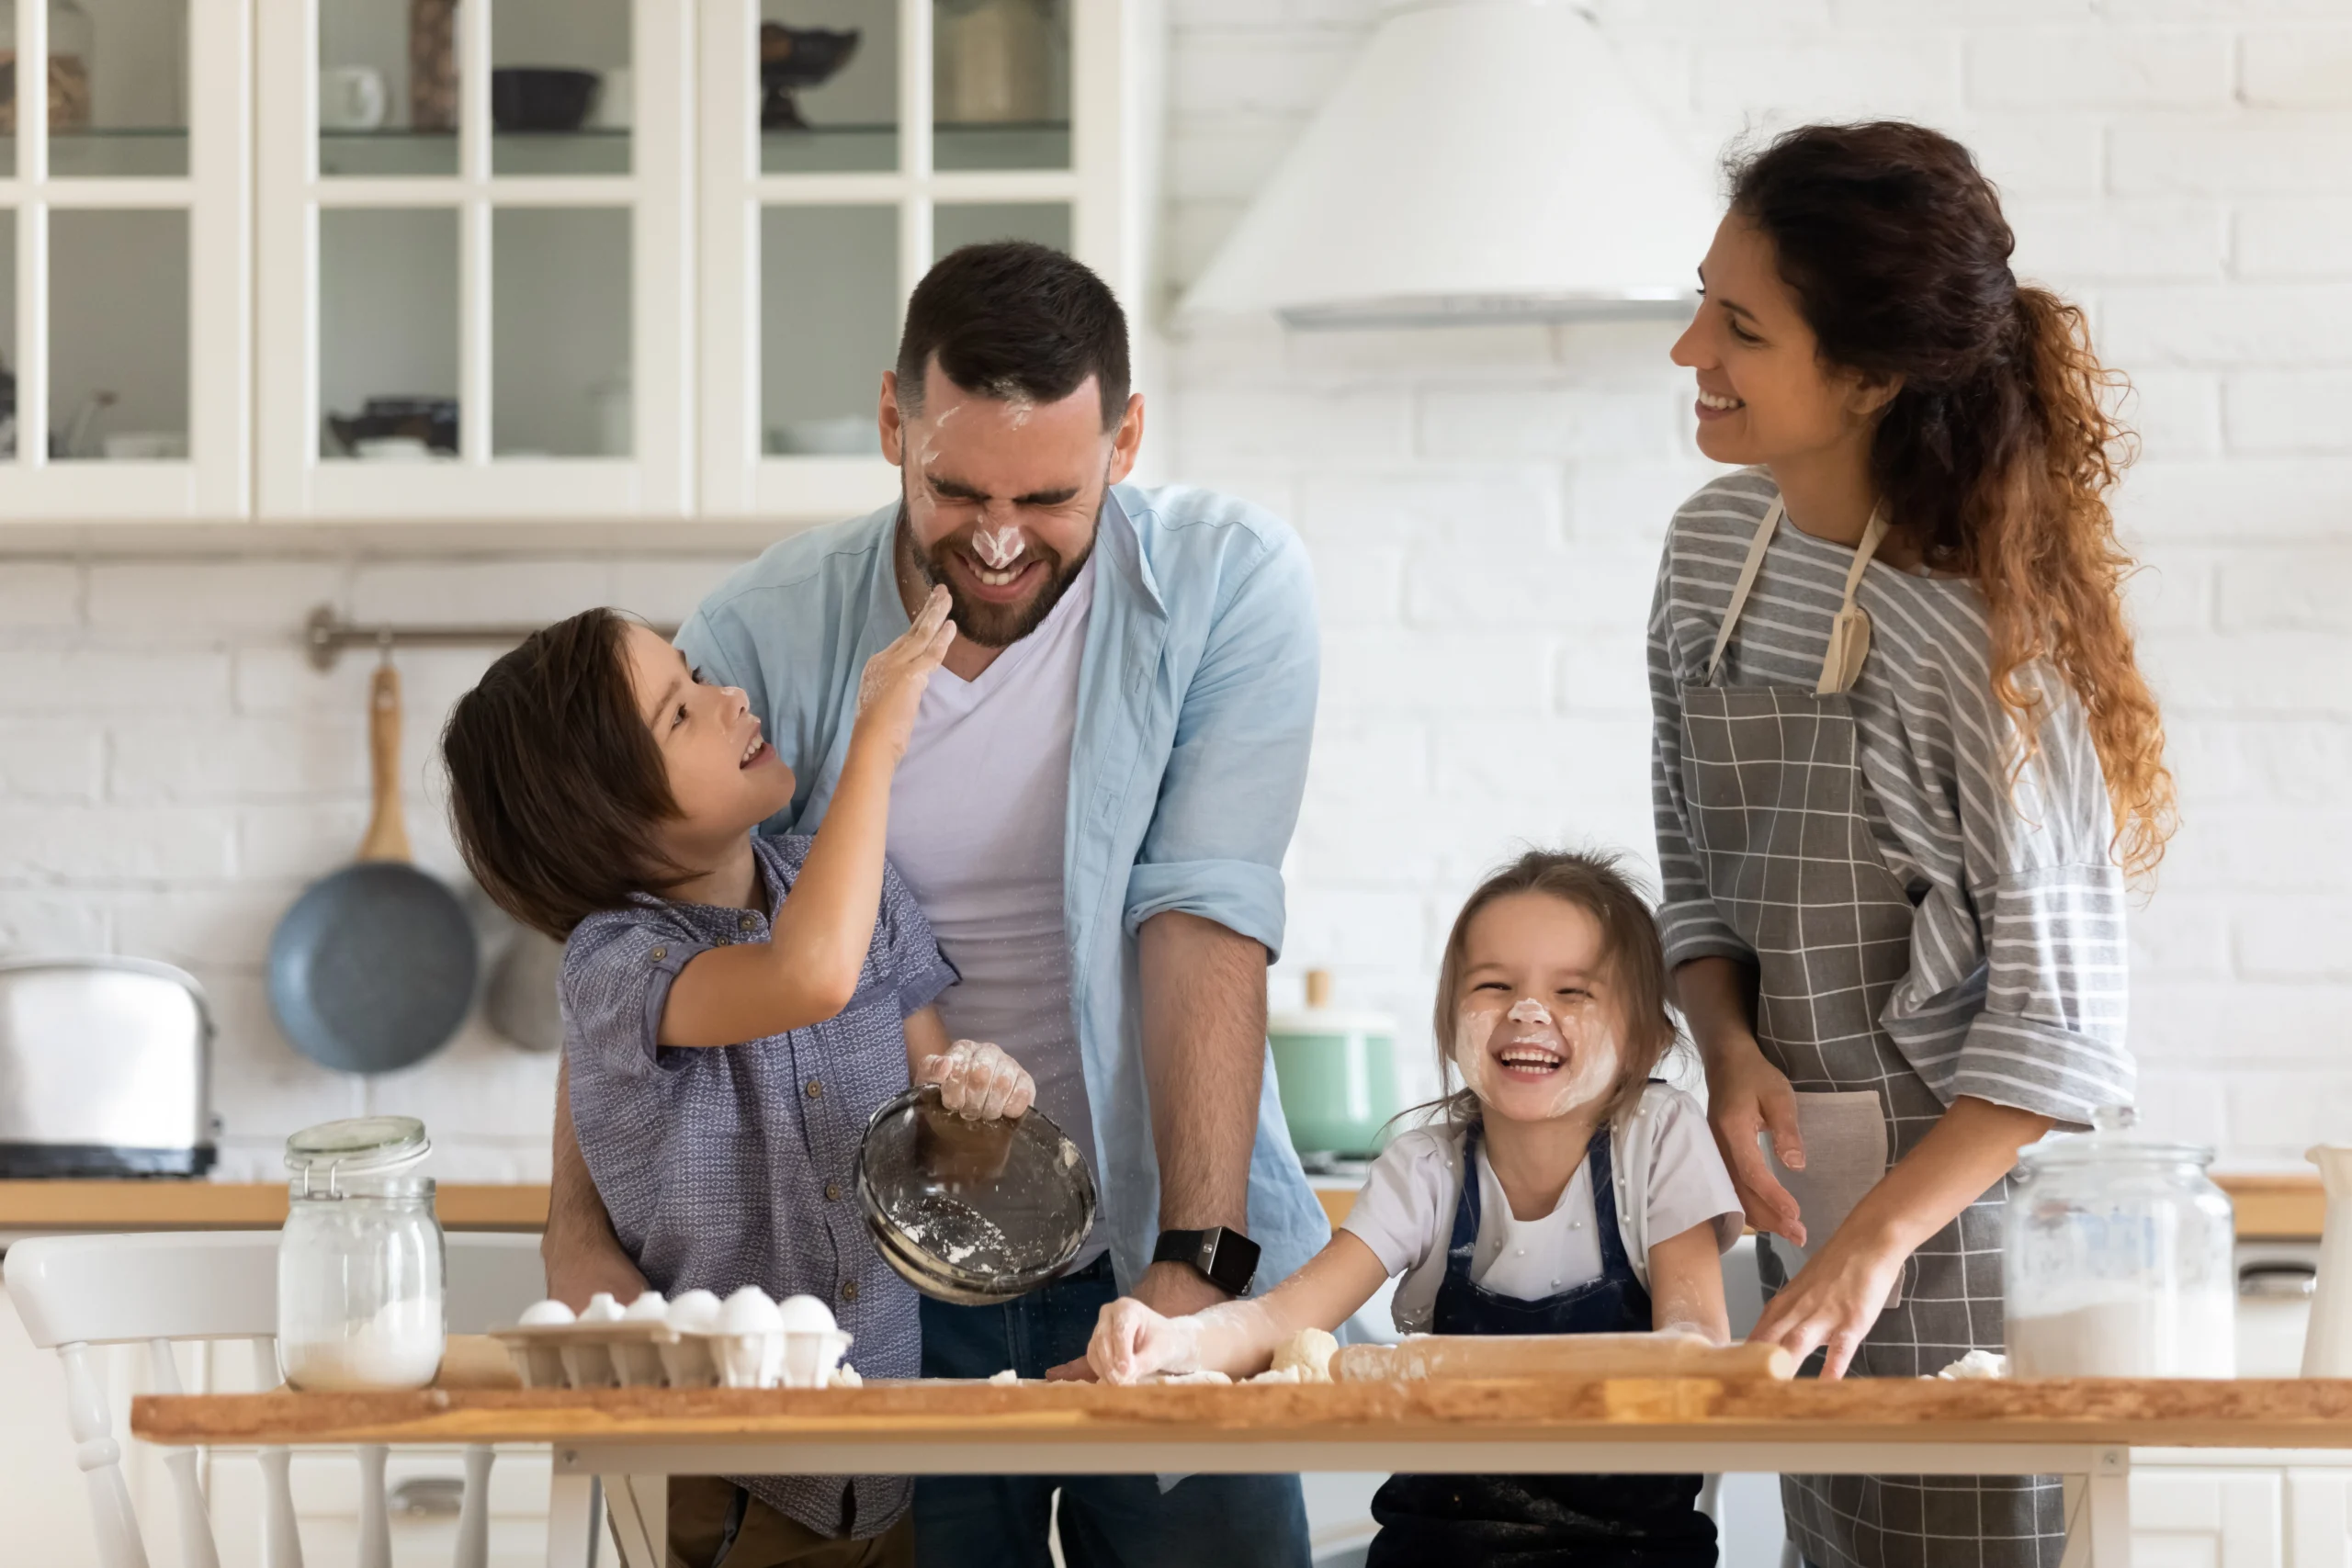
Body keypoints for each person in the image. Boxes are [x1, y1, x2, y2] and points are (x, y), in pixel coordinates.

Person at [539, 240, 1326, 1567]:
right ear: (894, 421)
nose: (1001, 538)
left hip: (1166, 1239)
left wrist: (1195, 1261)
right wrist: (575, 1227)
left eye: (1050, 494)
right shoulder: (762, 637)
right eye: (957, 489)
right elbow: (648, 941)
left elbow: (1203, 916)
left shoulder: (1225, 585)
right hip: (881, 1286)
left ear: (1126, 438)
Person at [1651, 121, 2176, 1568]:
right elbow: (1690, 862)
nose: (1691, 345)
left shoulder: (1977, 644)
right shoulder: (1709, 553)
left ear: (1871, 374)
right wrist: (1729, 1044)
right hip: (1804, 1193)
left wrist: (1873, 1241)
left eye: (1742, 325)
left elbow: (2059, 1030)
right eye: (1702, 298)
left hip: (1972, 1249)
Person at [441, 592, 1040, 1565]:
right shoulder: (614, 967)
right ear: (604, 816)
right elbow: (804, 976)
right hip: (726, 1490)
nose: (730, 700)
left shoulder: (859, 890)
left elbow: (940, 1163)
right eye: (680, 712)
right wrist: (878, 736)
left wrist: (979, 1102)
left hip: (886, 1471)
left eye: (700, 678)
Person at [1089, 850, 1744, 1568]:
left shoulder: (1658, 1139)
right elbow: (1281, 1319)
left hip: (1632, 1550)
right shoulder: (1428, 1169)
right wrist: (1170, 1340)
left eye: (1574, 992)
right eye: (1495, 985)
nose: (1528, 1011)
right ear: (1447, 1021)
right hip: (1438, 1546)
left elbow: (1695, 1347)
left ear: (1646, 1038)